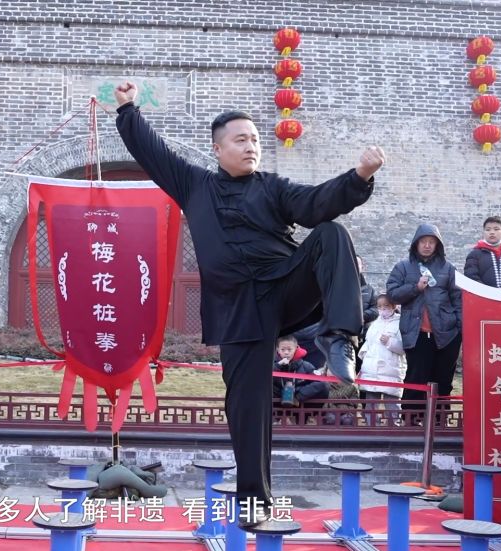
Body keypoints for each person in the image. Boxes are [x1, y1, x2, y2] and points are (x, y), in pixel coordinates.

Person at [113, 81, 384, 525]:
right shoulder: (194, 185)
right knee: (247, 406)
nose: (251, 147)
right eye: (241, 140)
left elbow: (315, 204)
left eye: (255, 139)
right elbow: (153, 152)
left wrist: (359, 177)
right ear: (218, 149)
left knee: (331, 233)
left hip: (285, 288)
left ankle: (340, 340)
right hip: (238, 311)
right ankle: (254, 503)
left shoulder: (273, 188)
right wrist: (128, 110)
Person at [386, 224, 462, 411]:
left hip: (446, 334)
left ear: (437, 245)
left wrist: (460, 330)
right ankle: (411, 421)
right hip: (416, 333)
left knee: (443, 381)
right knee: (416, 379)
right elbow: (392, 295)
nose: (427, 245)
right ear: (416, 243)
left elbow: (458, 300)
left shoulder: (448, 268)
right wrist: (416, 288)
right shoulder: (403, 267)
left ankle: (440, 421)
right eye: (423, 242)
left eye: (431, 242)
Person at [357, 294, 405, 425]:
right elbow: (368, 343)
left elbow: (405, 348)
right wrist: (364, 357)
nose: (382, 309)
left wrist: (390, 342)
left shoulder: (401, 323)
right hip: (371, 370)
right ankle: (371, 429)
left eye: (386, 306)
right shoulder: (375, 323)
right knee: (371, 403)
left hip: (391, 370)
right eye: (379, 306)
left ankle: (394, 429)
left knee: (392, 403)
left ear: (393, 306)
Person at [272, 335, 327, 408]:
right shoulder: (271, 365)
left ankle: (306, 413)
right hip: (277, 402)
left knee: (324, 387)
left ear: (296, 349)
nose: (286, 352)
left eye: (289, 349)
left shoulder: (305, 365)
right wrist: (277, 366)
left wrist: (299, 396)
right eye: (283, 349)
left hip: (299, 402)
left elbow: (321, 382)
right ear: (278, 350)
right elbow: (263, 381)